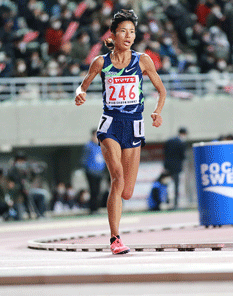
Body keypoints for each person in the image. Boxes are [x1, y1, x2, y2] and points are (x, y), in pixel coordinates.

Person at [75, 9, 166, 254]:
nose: (128, 35)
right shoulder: (101, 62)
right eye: (123, 31)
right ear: (113, 35)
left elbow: (162, 90)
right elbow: (81, 86)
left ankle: (115, 200)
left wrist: (157, 111)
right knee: (116, 178)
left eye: (132, 32)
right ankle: (115, 239)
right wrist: (80, 94)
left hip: (134, 125)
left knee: (127, 191)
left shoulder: (143, 60)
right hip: (110, 124)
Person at [81, 129, 106, 214]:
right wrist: (87, 169)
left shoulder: (101, 145)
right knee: (93, 190)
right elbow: (84, 159)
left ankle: (97, 208)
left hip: (99, 172)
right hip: (91, 172)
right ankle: (92, 209)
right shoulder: (88, 146)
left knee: (98, 191)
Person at [163, 127, 187, 210]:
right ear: (184, 134)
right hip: (177, 168)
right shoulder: (181, 143)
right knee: (176, 186)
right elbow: (183, 156)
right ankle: (175, 204)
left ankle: (167, 203)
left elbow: (165, 154)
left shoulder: (169, 141)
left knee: (169, 185)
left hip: (168, 167)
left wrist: (165, 166)